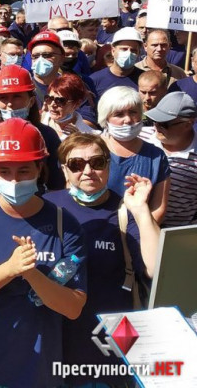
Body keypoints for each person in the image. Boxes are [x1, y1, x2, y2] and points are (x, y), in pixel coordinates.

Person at [0, 118, 87, 387]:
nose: (14, 180)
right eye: (4, 171)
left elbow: (73, 308)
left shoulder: (64, 223)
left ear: (40, 168)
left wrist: (32, 274)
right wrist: (11, 268)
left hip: (39, 369)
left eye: (24, 171)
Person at [44, 133, 160, 386]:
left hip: (113, 336)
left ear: (109, 166)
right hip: (59, 335)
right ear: (64, 170)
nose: (87, 171)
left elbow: (155, 267)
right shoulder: (47, 207)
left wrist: (141, 209)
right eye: (76, 164)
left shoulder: (125, 209)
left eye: (97, 162)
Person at [0, 41, 65, 189]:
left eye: (17, 97)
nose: (9, 103)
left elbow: (56, 184)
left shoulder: (47, 135)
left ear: (32, 100)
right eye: (3, 97)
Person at [98, 86, 170, 224]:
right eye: (119, 114)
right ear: (105, 117)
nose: (128, 120)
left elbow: (158, 208)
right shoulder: (91, 149)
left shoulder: (156, 156)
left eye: (133, 112)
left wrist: (140, 232)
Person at [142, 92, 197, 227]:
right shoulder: (140, 137)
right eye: (155, 121)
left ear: (188, 123)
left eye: (164, 124)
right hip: (136, 229)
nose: (157, 127)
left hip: (177, 234)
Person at [40, 73, 98, 139]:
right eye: (49, 99)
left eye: (60, 101)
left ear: (76, 104)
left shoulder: (90, 136)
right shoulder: (37, 123)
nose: (53, 104)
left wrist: (78, 142)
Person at [90, 27, 144, 98]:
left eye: (133, 50)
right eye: (124, 49)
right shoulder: (94, 80)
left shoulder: (144, 79)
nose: (128, 53)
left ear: (139, 53)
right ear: (113, 51)